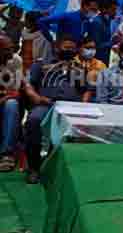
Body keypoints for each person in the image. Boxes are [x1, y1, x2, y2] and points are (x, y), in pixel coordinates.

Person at [23, 34, 90, 184]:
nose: (69, 51)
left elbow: (86, 90)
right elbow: (28, 85)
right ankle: (34, 168)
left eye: (72, 48)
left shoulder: (78, 68)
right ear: (56, 47)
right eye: (66, 47)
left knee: (80, 126)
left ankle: (61, 168)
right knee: (34, 121)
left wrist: (83, 105)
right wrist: (37, 98)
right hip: (46, 104)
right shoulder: (41, 64)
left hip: (71, 107)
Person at [0, 35, 22, 172]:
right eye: (6, 50)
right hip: (3, 97)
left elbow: (15, 89)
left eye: (12, 49)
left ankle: (6, 154)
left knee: (12, 104)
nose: (11, 52)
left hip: (6, 99)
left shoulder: (15, 60)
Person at [86, 0, 118, 66]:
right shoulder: (97, 22)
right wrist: (112, 42)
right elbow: (96, 45)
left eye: (116, 10)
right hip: (97, 60)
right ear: (104, 9)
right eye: (113, 9)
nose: (115, 12)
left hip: (104, 59)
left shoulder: (108, 21)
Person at [73, 37, 107, 102]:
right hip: (76, 96)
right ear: (79, 48)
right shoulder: (72, 62)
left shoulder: (101, 64)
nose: (91, 51)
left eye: (93, 48)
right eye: (88, 48)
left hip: (95, 97)